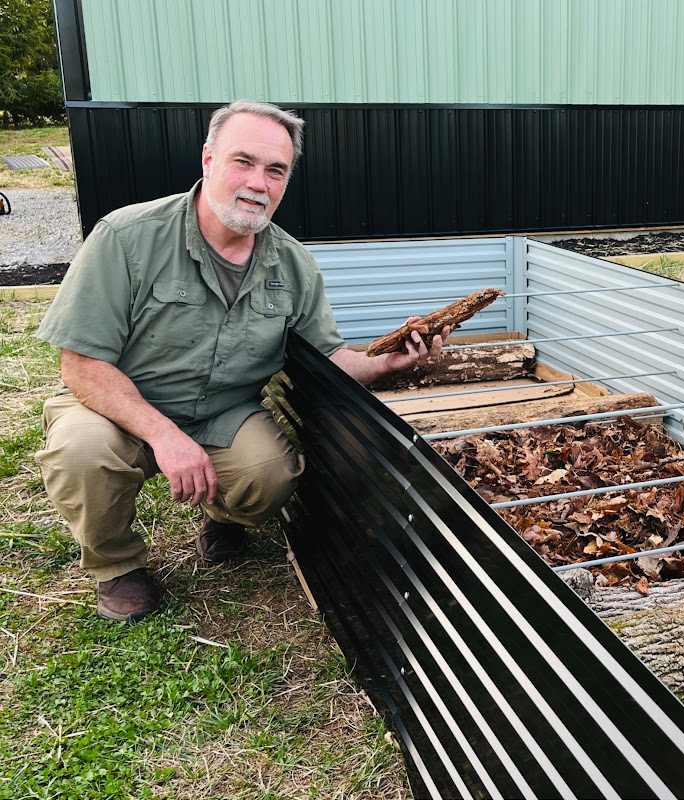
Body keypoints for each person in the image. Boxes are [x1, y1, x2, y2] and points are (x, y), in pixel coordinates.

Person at [35, 100, 448, 623]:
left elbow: (327, 359)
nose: (258, 182)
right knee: (82, 452)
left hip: (221, 411)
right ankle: (117, 566)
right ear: (208, 160)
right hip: (116, 404)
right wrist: (165, 436)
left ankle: (221, 513)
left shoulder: (293, 264)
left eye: (275, 170)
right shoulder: (126, 236)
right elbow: (83, 365)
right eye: (243, 161)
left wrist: (386, 364)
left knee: (271, 476)